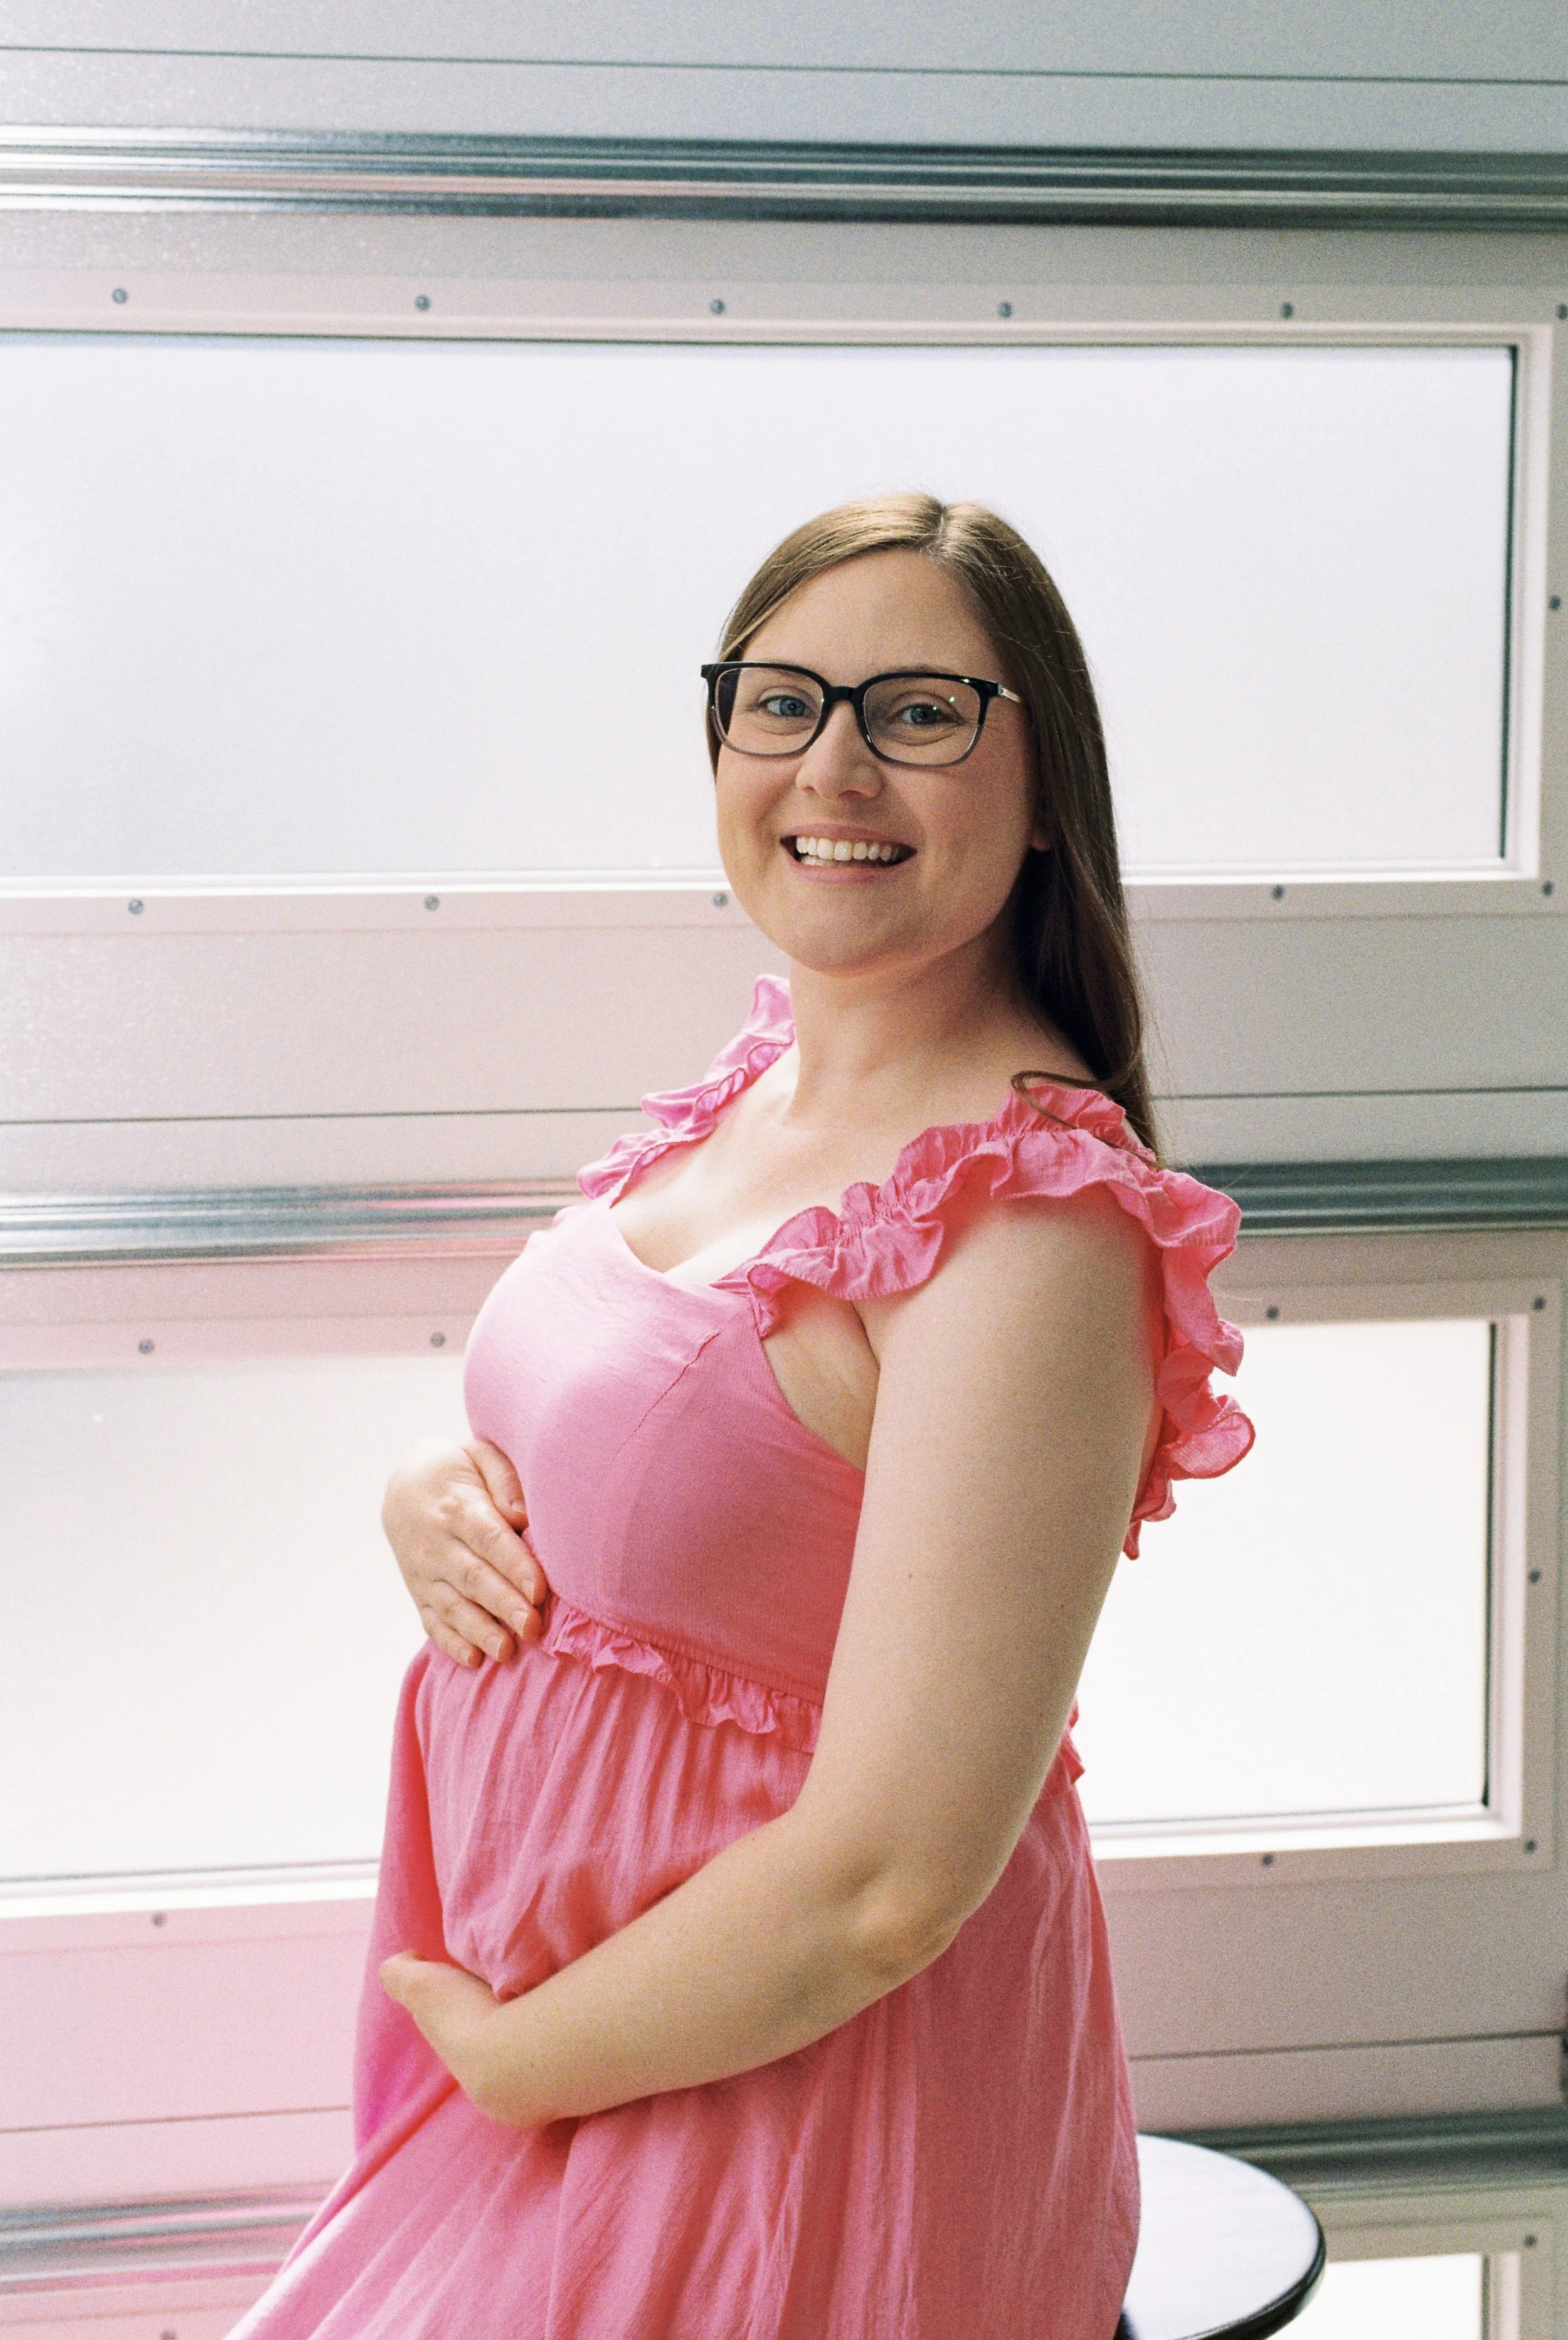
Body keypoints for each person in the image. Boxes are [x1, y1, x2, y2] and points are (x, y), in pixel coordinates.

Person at [235, 493, 1253, 2340]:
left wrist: (521, 2063)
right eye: (780, 702)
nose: (833, 766)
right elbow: (666, 1452)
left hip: (790, 2119)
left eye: (920, 711)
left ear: (1045, 785)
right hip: (576, 2073)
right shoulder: (760, 1085)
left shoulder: (1032, 1234)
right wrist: (429, 1488)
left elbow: (884, 1886)